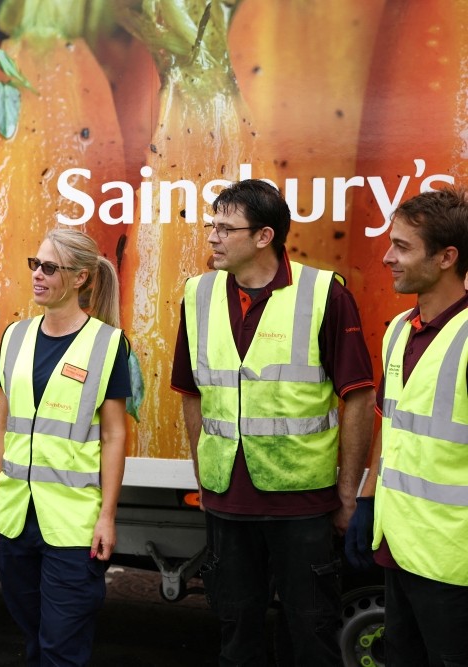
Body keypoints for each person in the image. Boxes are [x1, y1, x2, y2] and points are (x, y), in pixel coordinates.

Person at [171, 180, 376, 666]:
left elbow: (360, 397)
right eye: (211, 226)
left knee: (310, 632)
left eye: (225, 228)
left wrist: (348, 493)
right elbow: (191, 393)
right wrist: (205, 474)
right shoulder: (197, 295)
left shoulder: (324, 293)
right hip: (226, 501)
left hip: (301, 503)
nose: (213, 237)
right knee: (235, 632)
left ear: (264, 237)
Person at [0, 228, 130, 667]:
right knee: (35, 636)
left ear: (80, 278)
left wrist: (107, 517)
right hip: (16, 518)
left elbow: (115, 435)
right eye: (35, 264)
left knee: (61, 646)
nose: (37, 275)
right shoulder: (15, 337)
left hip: (72, 524)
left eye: (49, 267)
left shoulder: (107, 344)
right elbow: (2, 425)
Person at [345, 188, 468, 666]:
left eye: (402, 246)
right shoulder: (399, 330)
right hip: (397, 550)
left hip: (452, 567)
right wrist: (367, 499)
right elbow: (391, 426)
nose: (386, 256)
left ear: (446, 257)